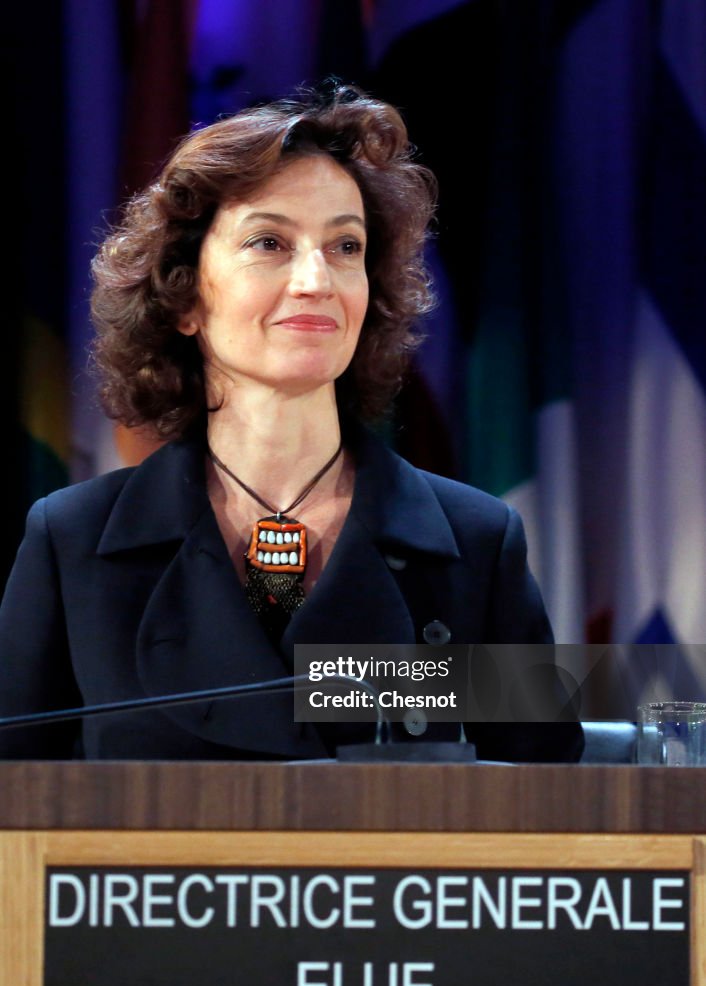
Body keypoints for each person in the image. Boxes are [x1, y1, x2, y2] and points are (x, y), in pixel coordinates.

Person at [0, 84, 582, 762]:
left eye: (346, 247)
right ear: (185, 297)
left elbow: (550, 817)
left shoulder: (477, 542)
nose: (316, 280)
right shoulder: (73, 542)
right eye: (270, 242)